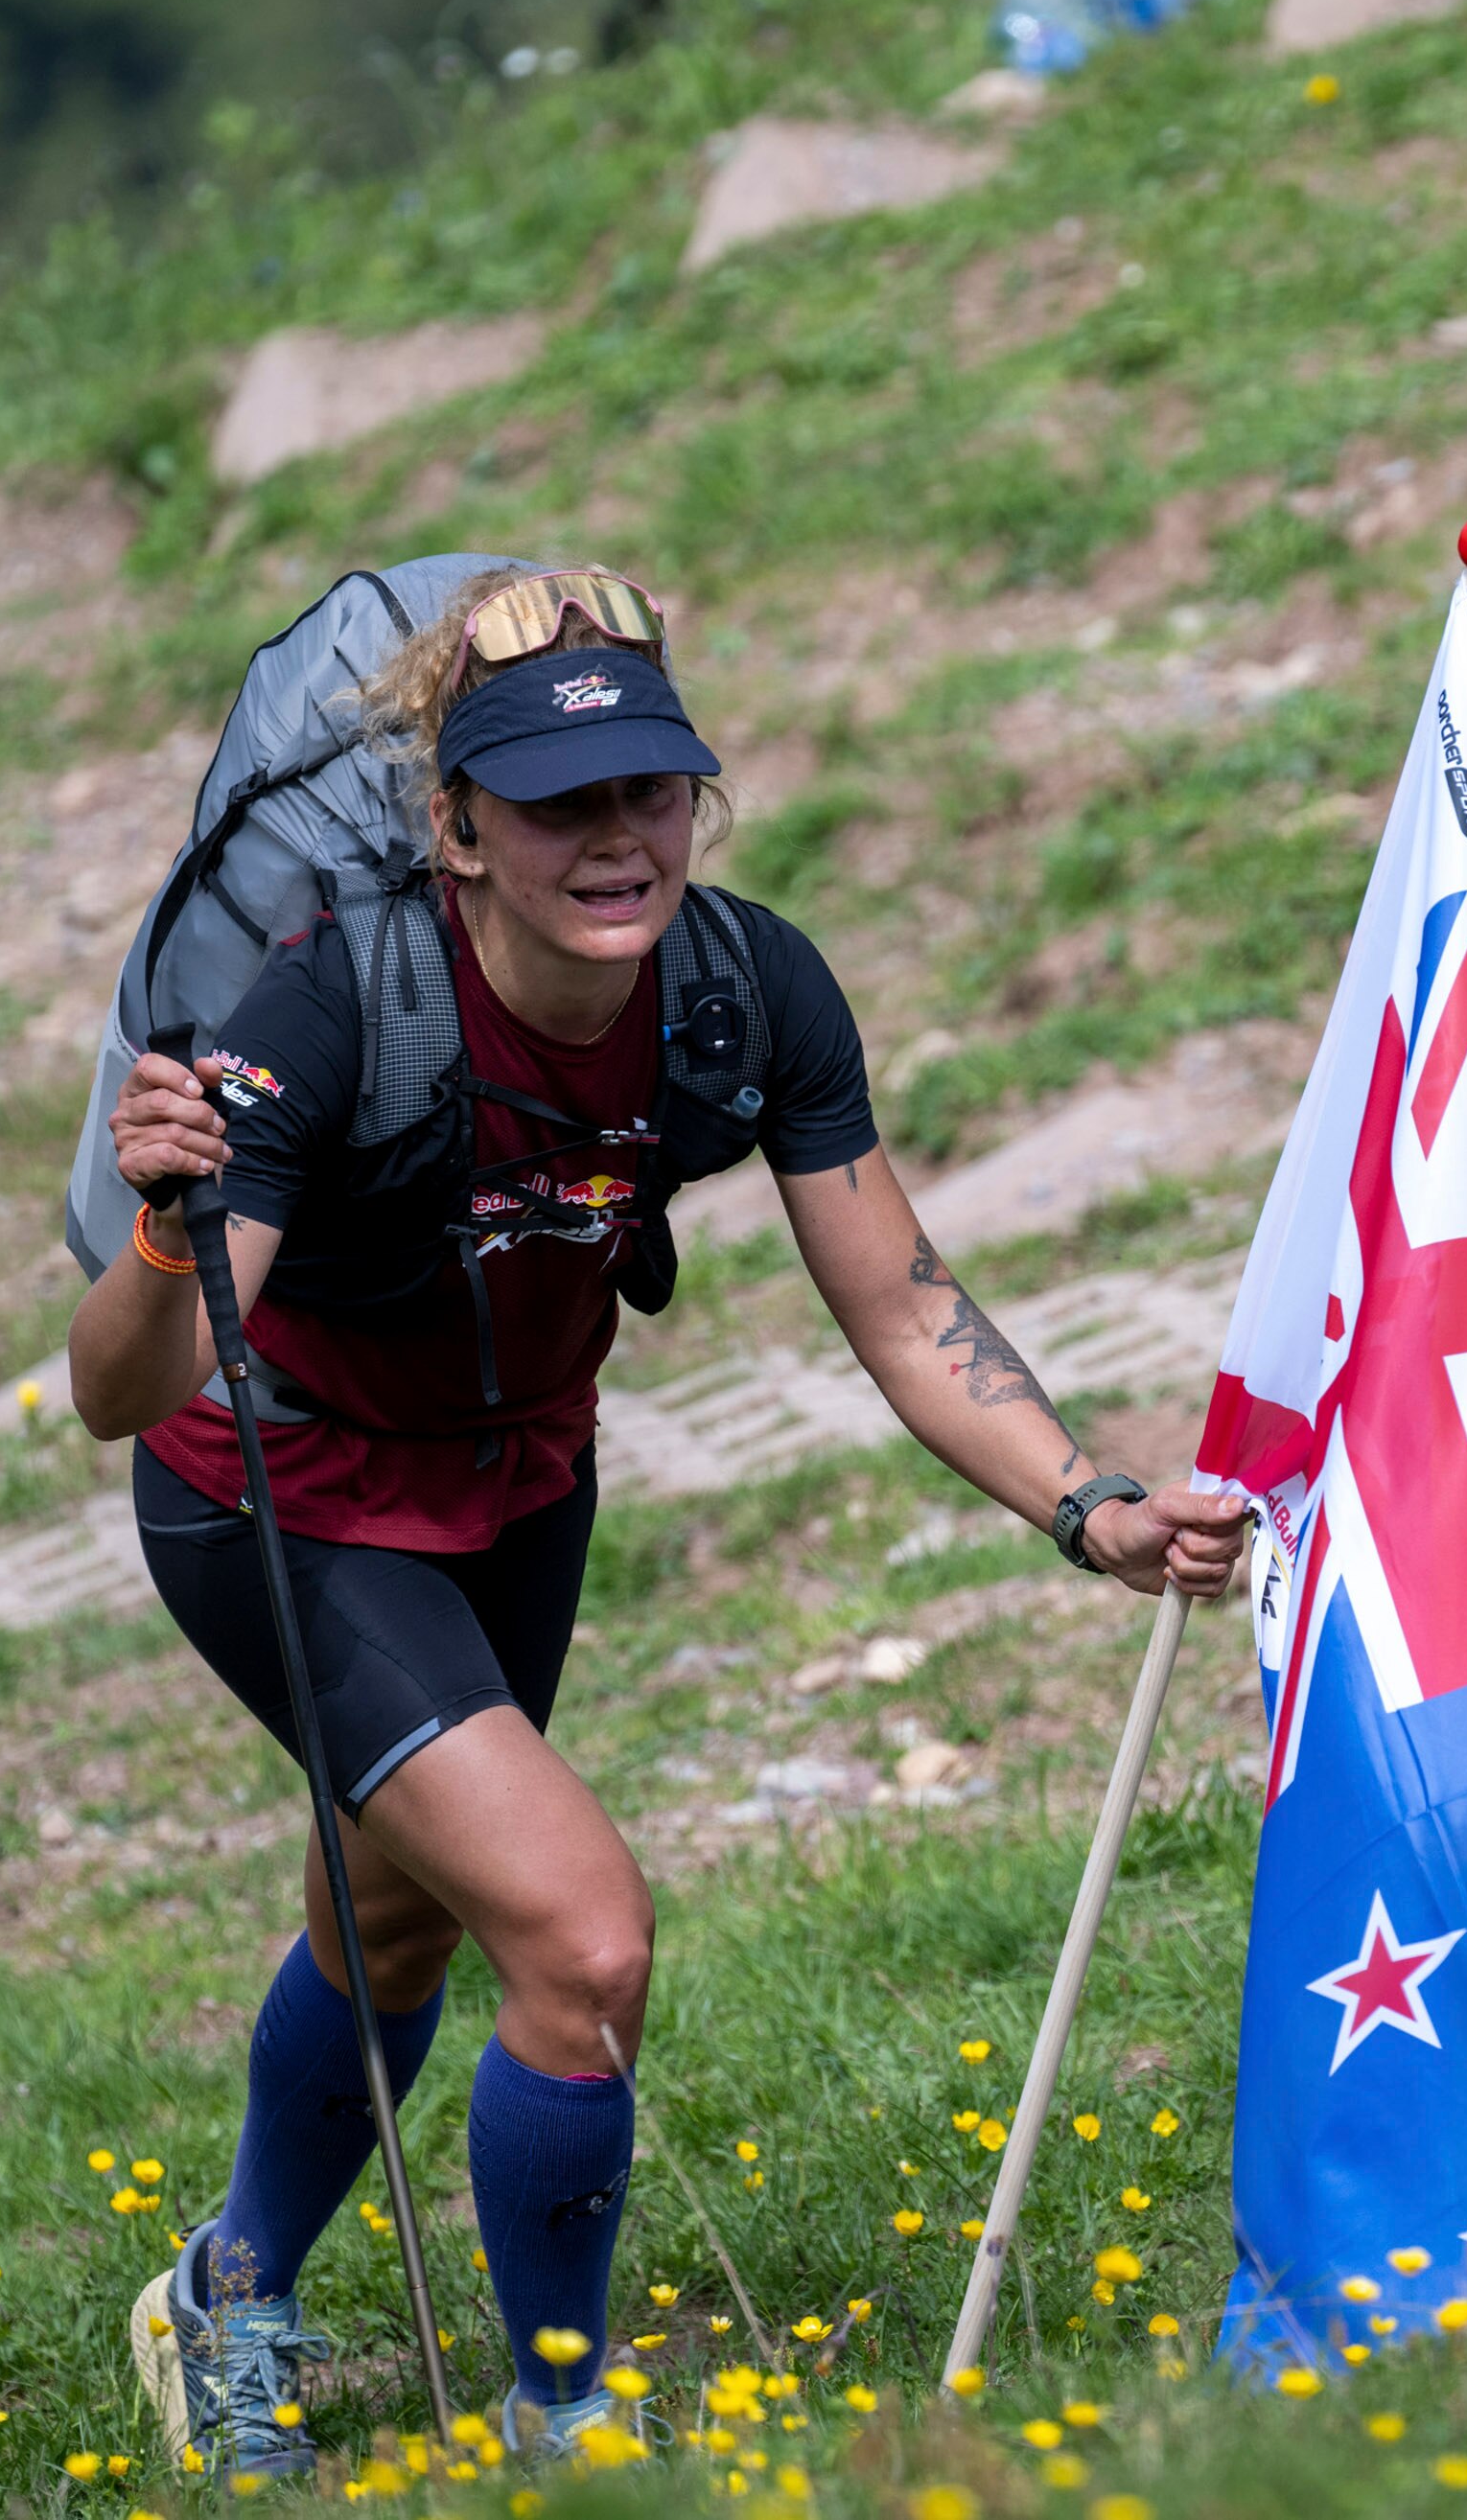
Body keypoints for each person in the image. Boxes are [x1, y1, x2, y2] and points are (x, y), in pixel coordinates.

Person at [68, 564, 1249, 2479]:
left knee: (391, 1911)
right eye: (555, 802)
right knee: (579, 1939)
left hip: (520, 1482)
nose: (615, 840)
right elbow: (130, 1389)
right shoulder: (329, 1007)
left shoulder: (741, 988)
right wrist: (155, 1231)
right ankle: (559, 2427)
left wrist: (1087, 1503)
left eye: (651, 791)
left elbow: (895, 1296)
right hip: (279, 1498)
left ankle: (222, 2289)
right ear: (454, 827)